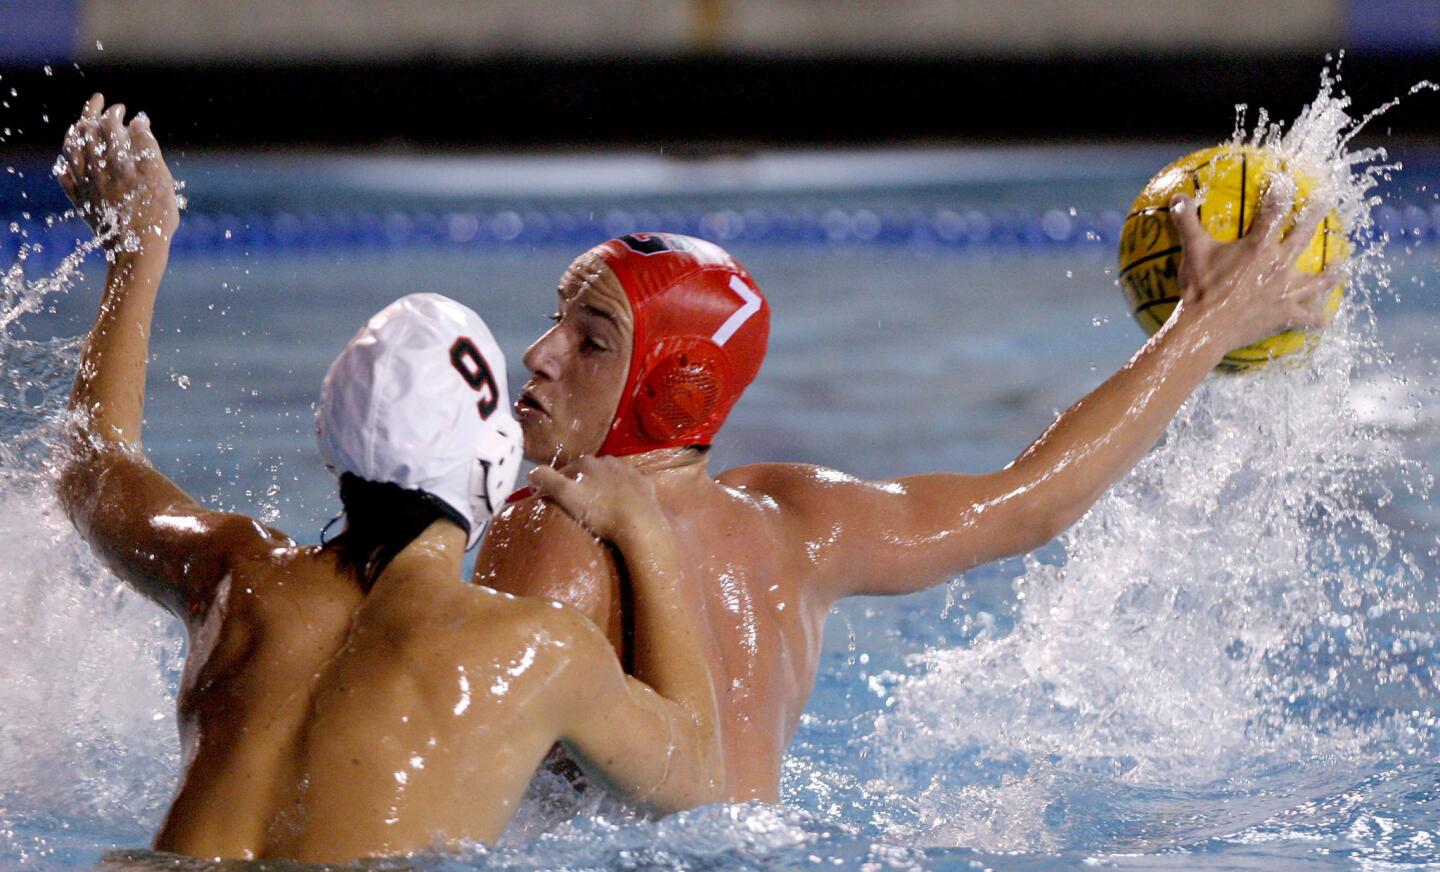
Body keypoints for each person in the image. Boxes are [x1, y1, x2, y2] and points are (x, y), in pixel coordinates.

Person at [475, 195, 1341, 801]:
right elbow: (1027, 503)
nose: (539, 354)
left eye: (590, 341)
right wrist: (1207, 324)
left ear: (681, 385)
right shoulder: (796, 522)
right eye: (559, 320)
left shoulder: (554, 534)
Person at [56, 95, 722, 862]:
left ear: (332, 445)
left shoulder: (233, 574)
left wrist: (136, 251)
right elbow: (697, 780)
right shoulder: (536, 650)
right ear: (492, 461)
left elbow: (90, 467)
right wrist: (646, 532)